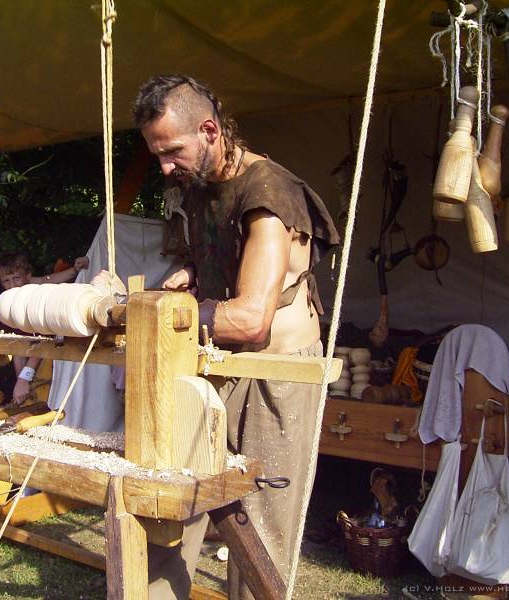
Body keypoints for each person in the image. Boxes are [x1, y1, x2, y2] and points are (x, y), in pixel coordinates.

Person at [133, 75, 338, 598]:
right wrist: (191, 277)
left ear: (209, 131)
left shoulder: (268, 193)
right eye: (157, 154)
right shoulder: (198, 186)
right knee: (177, 501)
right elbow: (218, 262)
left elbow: (250, 319)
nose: (165, 166)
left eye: (172, 151)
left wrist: (165, 313)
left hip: (276, 373)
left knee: (259, 530)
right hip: (215, 362)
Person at [0, 252, 89, 404]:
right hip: (28, 354)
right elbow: (17, 348)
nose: (12, 285)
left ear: (28, 276)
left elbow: (44, 340)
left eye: (16, 278)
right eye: (6, 280)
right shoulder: (7, 306)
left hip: (49, 352)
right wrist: (21, 380)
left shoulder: (35, 294)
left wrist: (75, 269)